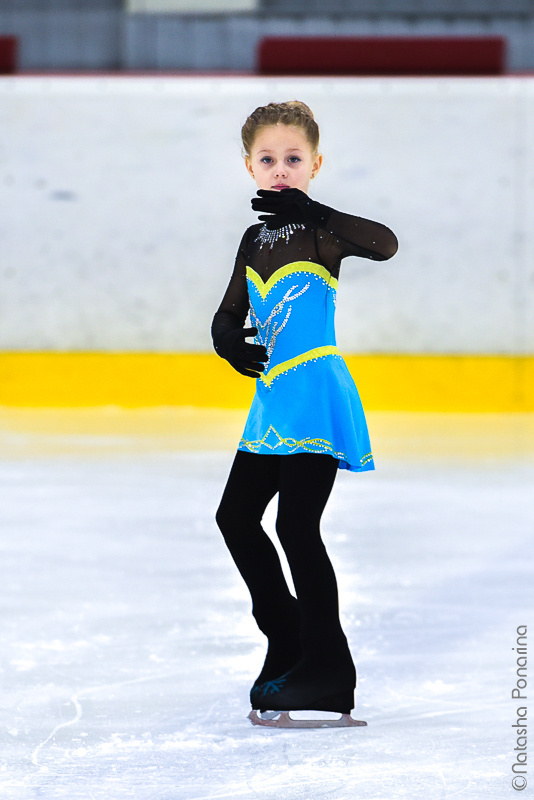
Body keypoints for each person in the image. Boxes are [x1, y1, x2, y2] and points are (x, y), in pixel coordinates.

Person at [212, 100, 397, 725]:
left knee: (296, 528)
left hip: (315, 391)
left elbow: (386, 244)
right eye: (269, 160)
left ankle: (328, 668)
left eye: (294, 159)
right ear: (250, 167)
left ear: (315, 164)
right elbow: (231, 308)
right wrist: (226, 339)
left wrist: (315, 211)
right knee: (235, 517)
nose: (281, 170)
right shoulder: (253, 237)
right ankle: (288, 639)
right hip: (272, 400)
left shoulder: (323, 231)